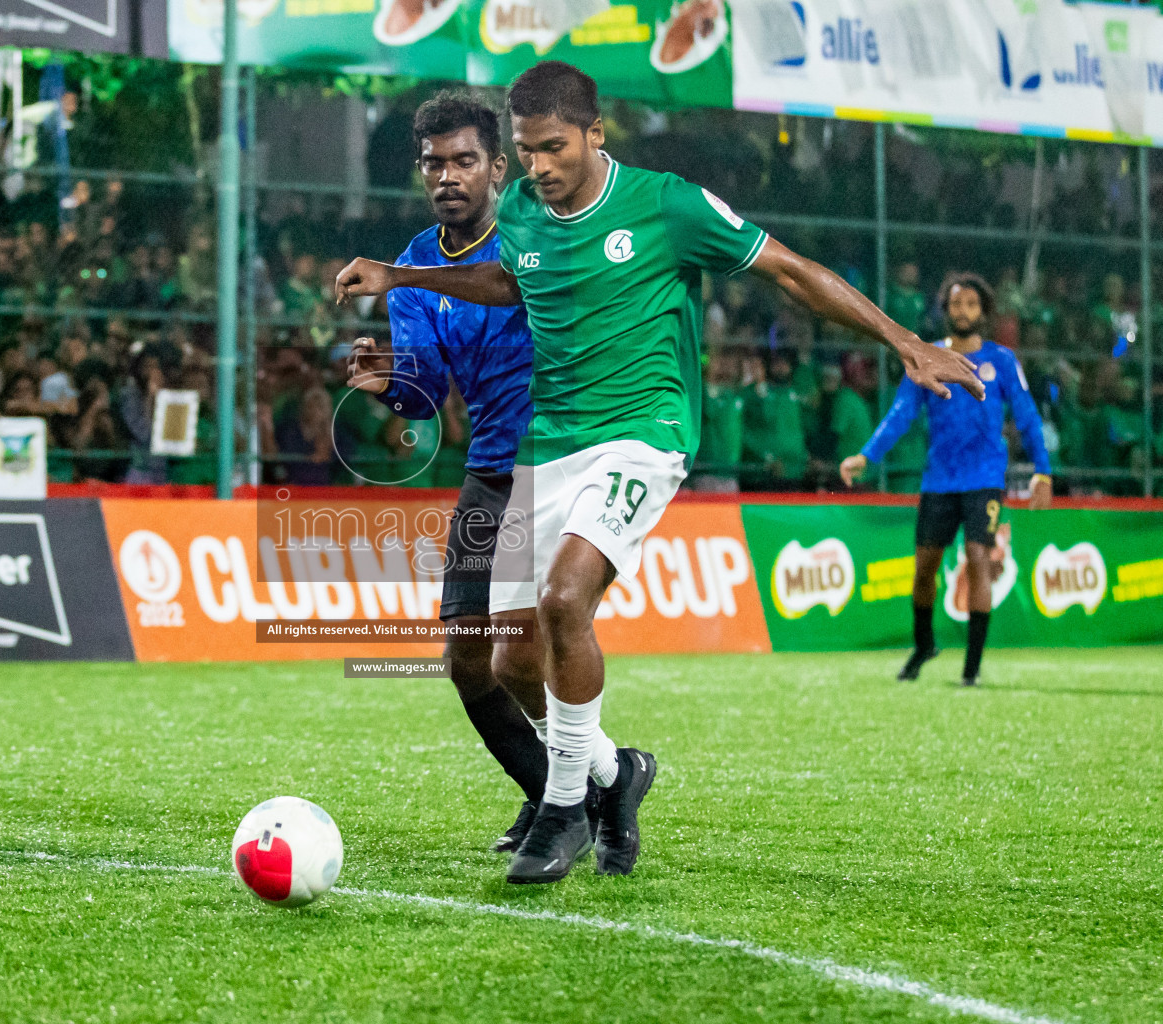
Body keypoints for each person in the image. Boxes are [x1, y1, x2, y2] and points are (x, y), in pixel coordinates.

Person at [337, 62, 983, 884]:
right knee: (508, 662)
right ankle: (616, 773)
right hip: (547, 444)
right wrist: (403, 276)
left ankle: (565, 808)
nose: (538, 168)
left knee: (565, 599)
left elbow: (788, 269)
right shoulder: (528, 212)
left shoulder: (668, 205)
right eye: (529, 151)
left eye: (554, 148)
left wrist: (903, 340)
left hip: (645, 433)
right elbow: (510, 278)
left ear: (596, 133)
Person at [344, 92, 551, 855]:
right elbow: (427, 391)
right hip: (489, 463)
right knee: (466, 660)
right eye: (434, 162)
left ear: (497, 167)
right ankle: (555, 790)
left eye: (464, 160)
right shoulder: (413, 260)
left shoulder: (534, 231)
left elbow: (517, 286)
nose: (448, 175)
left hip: (552, 456)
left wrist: (400, 278)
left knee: (517, 649)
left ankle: (572, 796)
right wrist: (391, 384)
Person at [841, 273, 1052, 686]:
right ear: (946, 309)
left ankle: (971, 668)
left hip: (986, 477)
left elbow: (1026, 416)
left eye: (972, 304)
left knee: (978, 560)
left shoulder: (1003, 361)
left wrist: (1043, 469)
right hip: (939, 479)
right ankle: (924, 645)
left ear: (984, 311)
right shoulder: (929, 356)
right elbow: (901, 411)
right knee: (924, 570)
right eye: (956, 303)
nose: (963, 311)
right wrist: (867, 455)